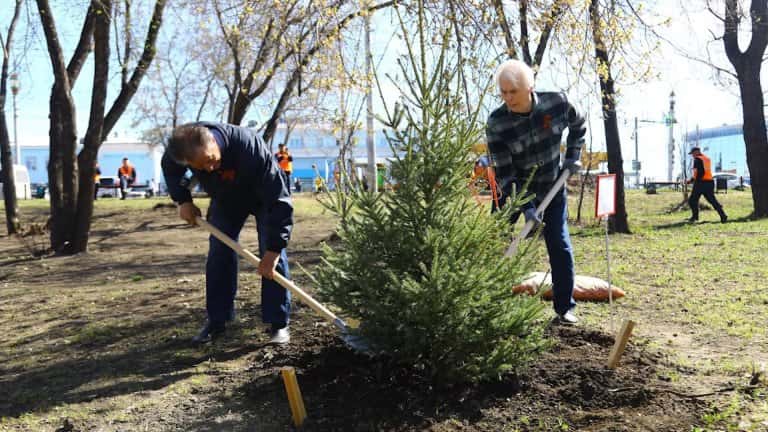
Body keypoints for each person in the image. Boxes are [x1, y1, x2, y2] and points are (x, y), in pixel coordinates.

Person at [162, 122, 293, 345]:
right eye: (201, 167)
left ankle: (278, 323)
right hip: (226, 199)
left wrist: (273, 250)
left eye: (210, 160)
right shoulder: (180, 150)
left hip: (264, 198)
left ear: (213, 141)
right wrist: (183, 200)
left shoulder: (250, 147)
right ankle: (217, 320)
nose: (210, 169)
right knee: (219, 253)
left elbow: (279, 200)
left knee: (272, 257)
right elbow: (171, 169)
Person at [485, 59, 586, 325]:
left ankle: (564, 309)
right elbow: (505, 173)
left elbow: (579, 124)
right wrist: (526, 206)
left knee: (559, 244)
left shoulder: (558, 103)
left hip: (552, 186)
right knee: (495, 242)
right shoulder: (497, 123)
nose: (508, 98)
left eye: (513, 92)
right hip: (512, 191)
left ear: (530, 88)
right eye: (503, 92)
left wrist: (573, 155)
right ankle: (488, 304)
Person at [686, 147, 727, 223]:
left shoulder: (697, 159)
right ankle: (723, 215)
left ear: (697, 152)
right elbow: (702, 172)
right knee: (712, 200)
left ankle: (695, 217)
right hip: (710, 182)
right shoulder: (706, 159)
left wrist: (695, 182)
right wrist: (690, 181)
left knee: (692, 200)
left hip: (701, 183)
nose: (692, 155)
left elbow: (700, 173)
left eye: (693, 153)